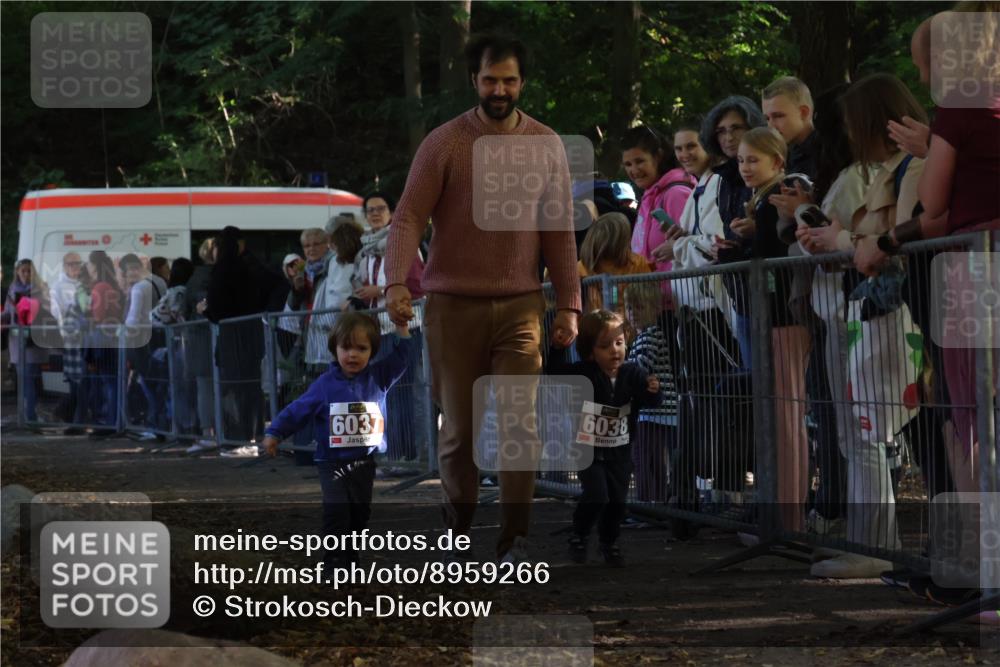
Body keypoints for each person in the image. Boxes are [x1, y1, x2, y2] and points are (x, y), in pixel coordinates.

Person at [383, 33, 581, 563]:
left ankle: (515, 535)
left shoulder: (546, 144)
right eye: (491, 79)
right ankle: (457, 526)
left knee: (521, 423)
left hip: (520, 304)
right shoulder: (444, 142)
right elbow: (407, 217)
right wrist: (396, 282)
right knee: (460, 429)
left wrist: (569, 304)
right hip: (452, 305)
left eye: (510, 80)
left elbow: (559, 230)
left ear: (522, 83)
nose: (500, 89)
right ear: (474, 80)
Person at [263, 312, 413, 567]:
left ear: (372, 351)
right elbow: (298, 409)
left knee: (359, 512)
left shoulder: (379, 377)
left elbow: (403, 357)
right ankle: (334, 562)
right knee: (337, 509)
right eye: (346, 348)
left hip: (364, 462)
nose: (352, 355)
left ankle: (351, 557)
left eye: (361, 348)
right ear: (335, 349)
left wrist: (402, 328)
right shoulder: (324, 385)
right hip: (330, 461)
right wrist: (274, 432)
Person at [717, 127, 810, 532]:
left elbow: (777, 255)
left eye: (753, 159)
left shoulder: (777, 199)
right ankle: (779, 514)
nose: (745, 167)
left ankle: (788, 518)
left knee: (787, 418)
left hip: (783, 322)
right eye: (740, 160)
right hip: (770, 320)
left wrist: (745, 249)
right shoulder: (758, 203)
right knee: (777, 416)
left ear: (777, 161)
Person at [547, 309, 662, 566]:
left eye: (619, 343)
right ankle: (579, 534)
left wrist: (654, 390)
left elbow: (651, 400)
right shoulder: (583, 373)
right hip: (588, 450)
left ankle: (609, 541)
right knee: (597, 494)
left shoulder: (633, 374)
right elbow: (554, 373)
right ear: (589, 350)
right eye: (605, 345)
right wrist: (556, 348)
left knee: (618, 501)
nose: (614, 351)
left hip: (620, 452)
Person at [353, 192, 427, 463]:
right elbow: (359, 285)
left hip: (406, 327)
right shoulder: (366, 252)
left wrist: (382, 290)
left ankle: (407, 455)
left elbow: (419, 286)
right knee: (386, 393)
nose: (375, 214)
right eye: (370, 210)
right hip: (379, 330)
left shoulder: (404, 244)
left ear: (391, 213)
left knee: (405, 392)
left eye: (380, 209)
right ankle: (394, 451)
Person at [203, 226, 285, 445]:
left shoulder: (224, 270)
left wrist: (207, 311)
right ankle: (254, 433)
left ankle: (239, 436)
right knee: (250, 387)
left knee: (235, 387)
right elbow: (276, 284)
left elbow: (217, 307)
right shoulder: (253, 267)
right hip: (251, 333)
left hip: (232, 336)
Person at [700, 96, 767, 368]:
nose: (728, 137)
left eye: (735, 128)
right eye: (721, 131)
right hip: (738, 293)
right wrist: (724, 248)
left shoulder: (766, 173)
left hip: (770, 293)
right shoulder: (723, 179)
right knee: (755, 380)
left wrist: (755, 231)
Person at [622, 125, 694, 289]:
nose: (634, 170)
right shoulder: (649, 196)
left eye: (639, 161)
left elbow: (695, 247)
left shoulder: (676, 194)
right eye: (628, 164)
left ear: (658, 157)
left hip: (680, 305)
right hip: (652, 303)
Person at [120, 253, 167, 436]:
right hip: (161, 338)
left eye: (130, 270)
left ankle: (154, 424)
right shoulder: (159, 281)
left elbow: (132, 319)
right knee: (161, 384)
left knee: (148, 384)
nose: (129, 274)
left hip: (141, 342)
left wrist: (123, 331)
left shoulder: (139, 288)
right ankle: (163, 423)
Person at [2, 259, 52, 423]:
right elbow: (8, 313)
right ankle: (24, 415)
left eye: (28, 271)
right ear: (17, 272)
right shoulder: (12, 289)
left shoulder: (40, 288)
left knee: (29, 379)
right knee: (21, 381)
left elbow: (46, 311)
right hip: (17, 342)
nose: (25, 274)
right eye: (22, 271)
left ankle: (29, 416)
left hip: (33, 341)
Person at [151, 258, 195, 435]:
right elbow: (174, 314)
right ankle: (184, 426)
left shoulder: (172, 290)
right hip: (180, 342)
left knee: (175, 386)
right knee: (181, 386)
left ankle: (177, 425)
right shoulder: (180, 292)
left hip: (170, 340)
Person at [575, 211, 652, 314]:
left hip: (630, 326)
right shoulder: (580, 268)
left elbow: (650, 300)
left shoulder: (637, 263)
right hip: (592, 327)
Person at [183, 238, 218, 453]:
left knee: (205, 387)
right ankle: (211, 432)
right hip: (207, 340)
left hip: (198, 339)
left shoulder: (195, 277)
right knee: (209, 387)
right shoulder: (207, 277)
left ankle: (209, 432)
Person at [85, 250, 126, 434]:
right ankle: (114, 420)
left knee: (108, 383)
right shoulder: (113, 286)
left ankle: (110, 422)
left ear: (95, 266)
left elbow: (99, 316)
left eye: (90, 263)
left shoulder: (99, 288)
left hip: (102, 339)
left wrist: (88, 315)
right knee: (112, 382)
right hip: (113, 338)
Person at [49, 252, 88, 433]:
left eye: (78, 263)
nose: (75, 267)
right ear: (64, 266)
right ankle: (72, 418)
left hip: (82, 340)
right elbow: (56, 312)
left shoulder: (82, 284)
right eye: (72, 264)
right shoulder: (57, 286)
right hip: (70, 338)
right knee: (76, 383)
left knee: (81, 384)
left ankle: (73, 418)